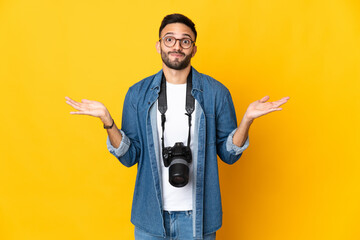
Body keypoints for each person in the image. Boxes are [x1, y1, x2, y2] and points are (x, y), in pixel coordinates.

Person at [65, 13, 289, 240]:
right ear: (158, 45)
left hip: (198, 220)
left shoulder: (216, 93)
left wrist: (247, 120)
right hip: (150, 218)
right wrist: (108, 121)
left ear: (193, 49)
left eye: (185, 41)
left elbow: (229, 155)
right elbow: (129, 157)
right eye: (169, 39)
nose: (177, 46)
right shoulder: (137, 94)